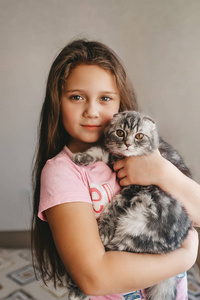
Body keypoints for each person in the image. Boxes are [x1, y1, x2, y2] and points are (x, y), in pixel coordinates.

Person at [31, 39, 199, 300]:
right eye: (76, 97)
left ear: (120, 104)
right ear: (57, 101)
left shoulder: (142, 151)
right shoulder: (62, 172)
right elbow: (95, 279)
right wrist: (186, 257)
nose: (92, 111)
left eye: (105, 98)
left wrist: (161, 172)